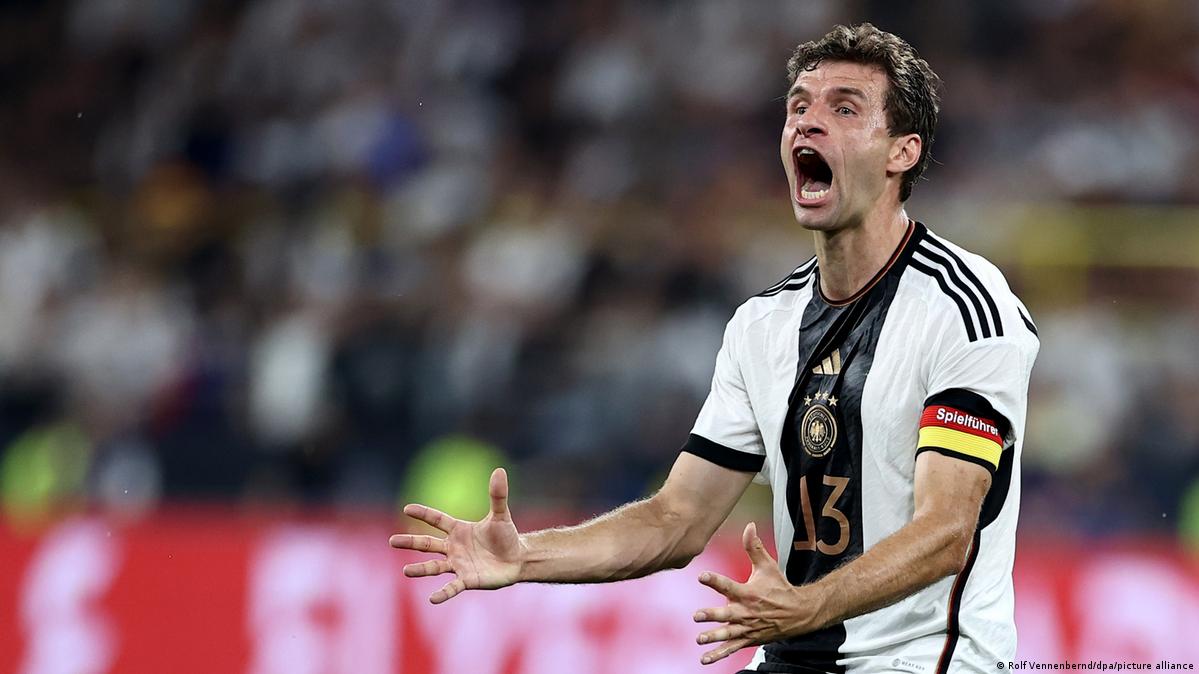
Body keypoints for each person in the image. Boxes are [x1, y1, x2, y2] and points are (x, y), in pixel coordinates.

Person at [390, 23, 1039, 674]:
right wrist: (525, 556)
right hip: (791, 651)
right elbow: (676, 519)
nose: (808, 122)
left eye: (844, 109)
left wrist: (808, 606)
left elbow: (945, 531)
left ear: (902, 151)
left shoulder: (963, 308)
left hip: (924, 661)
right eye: (798, 106)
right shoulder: (762, 325)